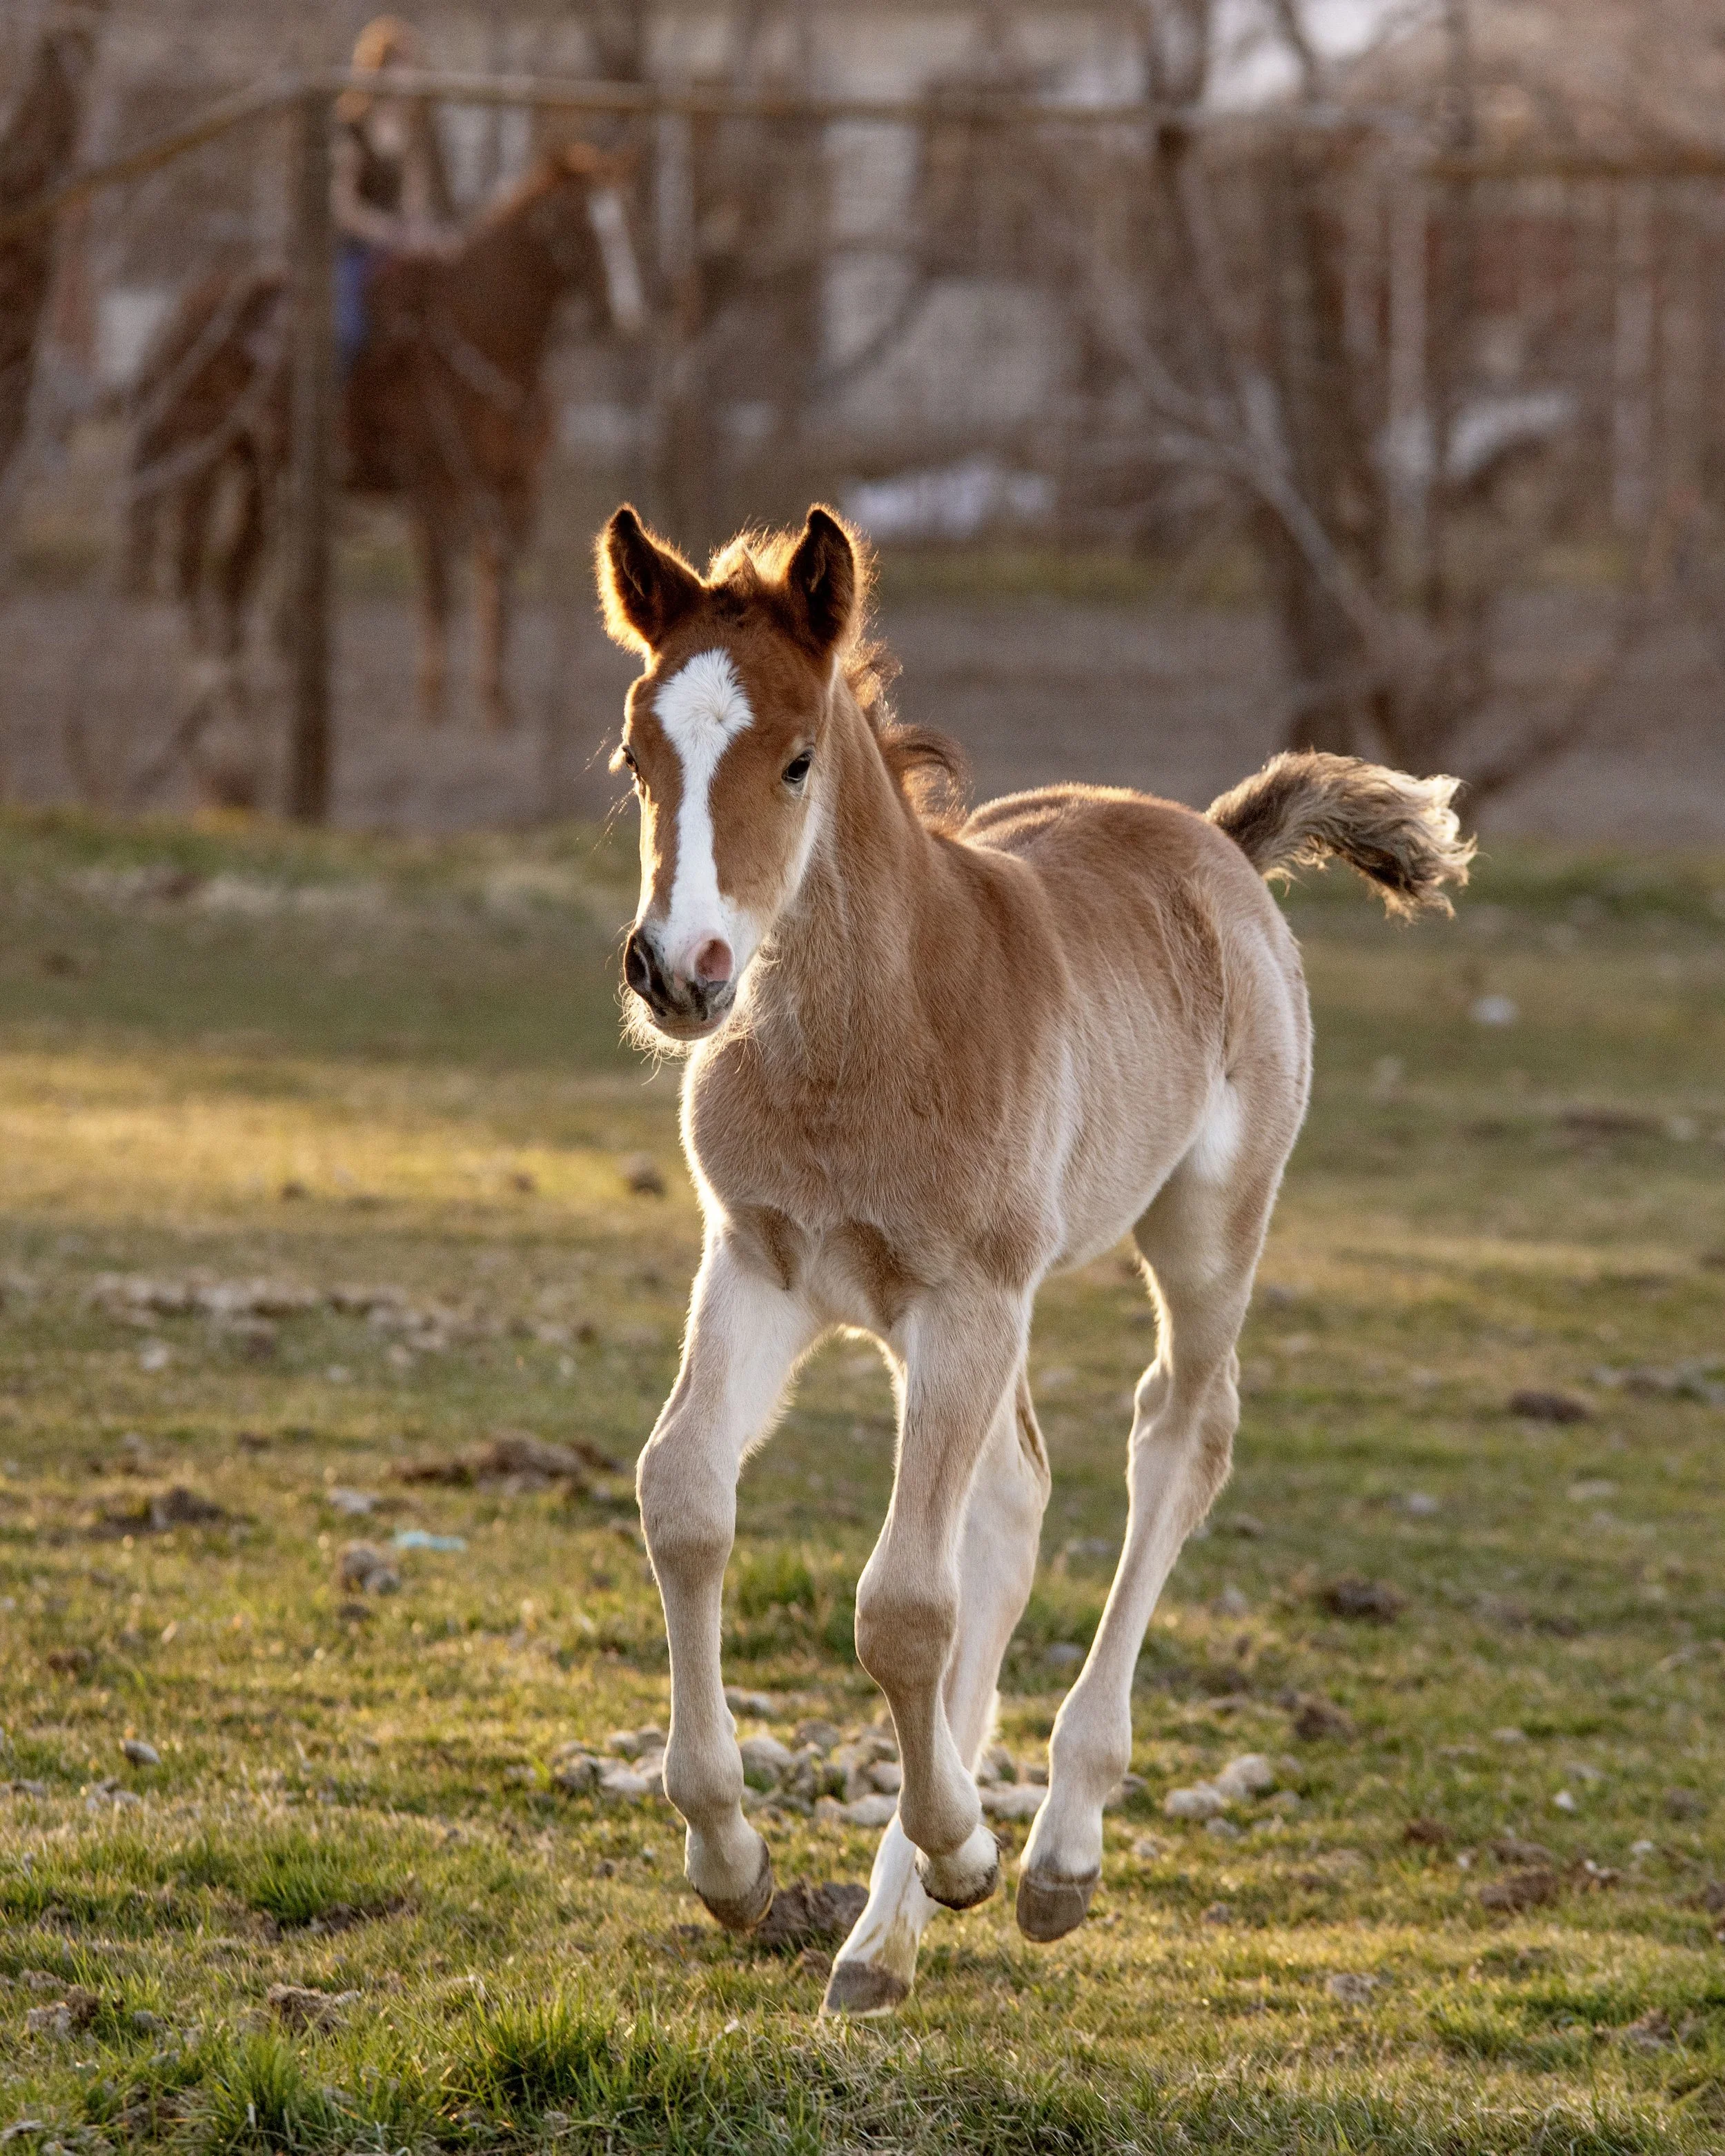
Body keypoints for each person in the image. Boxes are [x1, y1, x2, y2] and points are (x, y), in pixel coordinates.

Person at [331, 17, 456, 378]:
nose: (408, 79)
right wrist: (389, 231)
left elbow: (413, 202)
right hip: (351, 249)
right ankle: (332, 410)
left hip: (393, 248)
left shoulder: (414, 131)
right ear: (378, 71)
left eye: (412, 68)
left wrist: (428, 236)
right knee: (348, 331)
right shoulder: (350, 127)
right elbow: (343, 207)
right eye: (400, 67)